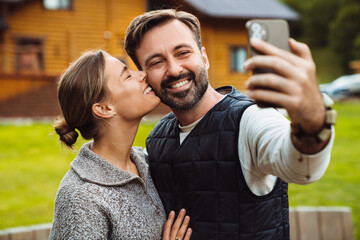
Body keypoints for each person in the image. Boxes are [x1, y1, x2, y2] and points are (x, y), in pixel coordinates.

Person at [124, 9, 335, 239]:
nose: (174, 69)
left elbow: (302, 168)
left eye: (183, 53)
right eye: (156, 62)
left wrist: (312, 121)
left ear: (204, 58)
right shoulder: (156, 140)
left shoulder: (252, 118)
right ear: (144, 76)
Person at [49, 49, 193, 240]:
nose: (143, 74)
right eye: (127, 76)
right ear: (104, 108)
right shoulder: (81, 197)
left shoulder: (147, 163)